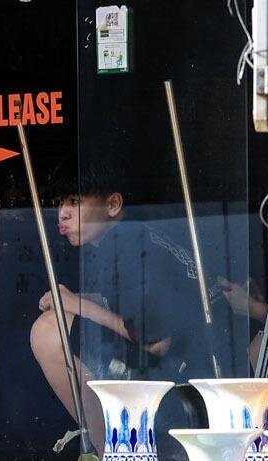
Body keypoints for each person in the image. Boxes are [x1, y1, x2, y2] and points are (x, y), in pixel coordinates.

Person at [29, 173, 227, 444]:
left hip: (194, 386)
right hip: (198, 372)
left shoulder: (126, 244)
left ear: (112, 205)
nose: (62, 213)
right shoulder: (132, 236)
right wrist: (79, 300)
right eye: (59, 202)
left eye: (74, 201)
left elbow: (155, 342)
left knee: (49, 331)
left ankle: (109, 460)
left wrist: (79, 305)